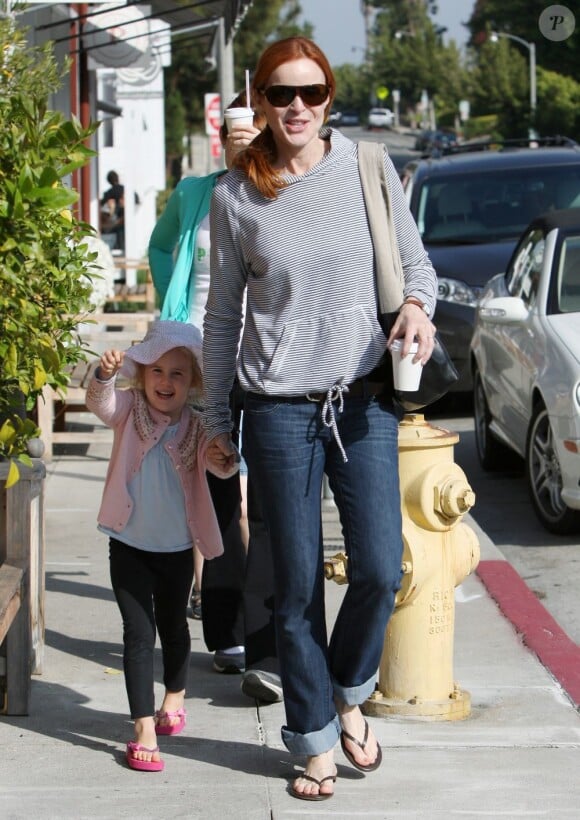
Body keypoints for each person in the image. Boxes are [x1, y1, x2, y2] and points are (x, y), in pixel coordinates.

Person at [202, 36, 438, 801]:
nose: (295, 107)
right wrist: (213, 416)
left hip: (361, 401)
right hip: (274, 411)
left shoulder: (368, 168)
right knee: (296, 586)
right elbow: (220, 317)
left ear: (329, 98)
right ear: (260, 102)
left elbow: (420, 268)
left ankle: (346, 692)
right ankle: (313, 741)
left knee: (379, 566)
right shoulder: (236, 195)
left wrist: (416, 308)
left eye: (310, 93)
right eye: (279, 94)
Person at [148, 93, 281, 702]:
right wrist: (174, 314)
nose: (239, 140)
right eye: (232, 130)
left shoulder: (282, 190)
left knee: (267, 505)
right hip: (204, 363)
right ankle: (227, 634)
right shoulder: (195, 195)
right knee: (220, 494)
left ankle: (269, 641)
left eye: (249, 130)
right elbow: (161, 246)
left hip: (269, 358)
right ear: (219, 134)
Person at [85, 320, 238, 772]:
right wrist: (104, 375)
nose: (165, 382)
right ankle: (143, 727)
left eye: (177, 373)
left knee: (173, 627)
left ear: (191, 382)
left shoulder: (196, 425)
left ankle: (174, 696)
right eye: (157, 371)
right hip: (128, 543)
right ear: (142, 373)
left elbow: (223, 462)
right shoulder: (128, 409)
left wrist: (223, 458)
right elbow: (101, 403)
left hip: (175, 549)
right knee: (137, 633)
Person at [100, 170, 125, 252]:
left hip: (118, 217)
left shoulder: (109, 192)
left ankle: (118, 247)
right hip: (122, 217)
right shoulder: (124, 189)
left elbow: (101, 203)